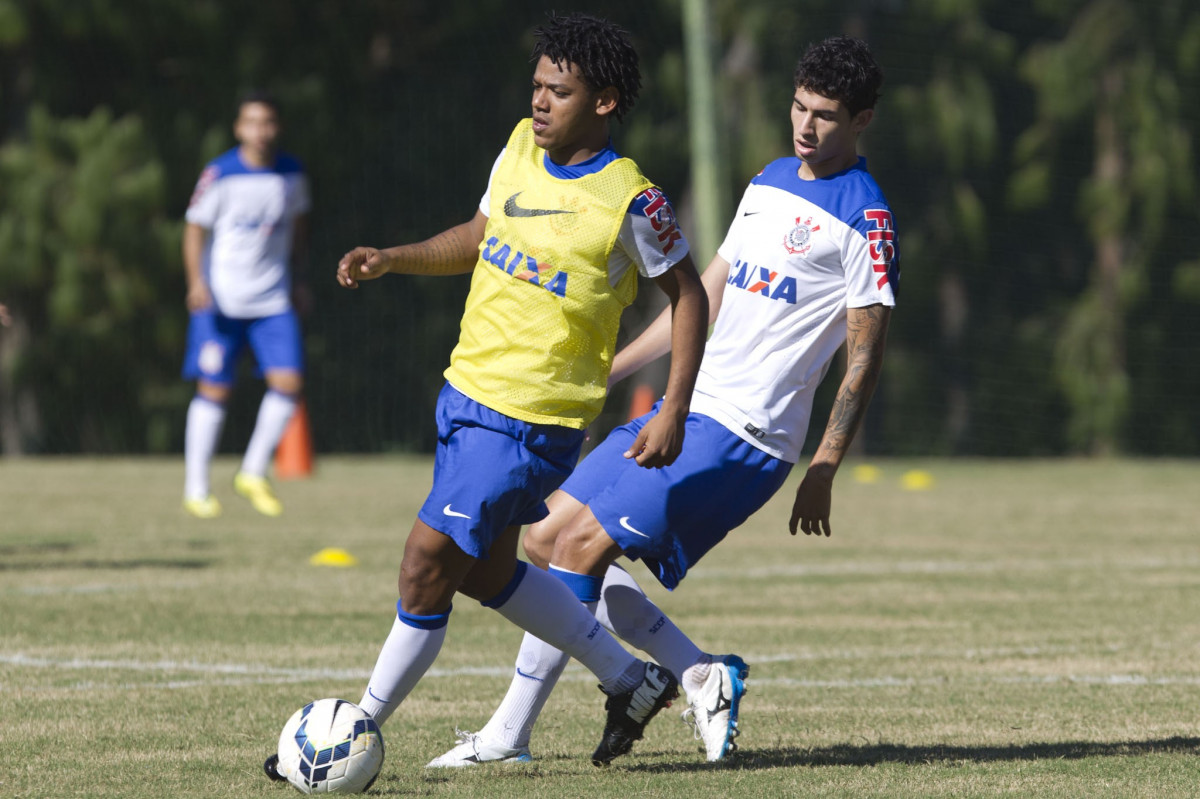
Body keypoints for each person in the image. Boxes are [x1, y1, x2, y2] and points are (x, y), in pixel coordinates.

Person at [426, 34, 897, 767]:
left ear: (862, 120)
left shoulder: (865, 217)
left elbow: (865, 347)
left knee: (580, 549)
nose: (806, 126)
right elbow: (703, 295)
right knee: (546, 539)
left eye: (827, 116)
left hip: (746, 432)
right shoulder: (771, 179)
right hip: (689, 404)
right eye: (800, 107)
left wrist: (828, 460)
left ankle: (507, 737)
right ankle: (701, 674)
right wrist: (608, 368)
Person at [264, 13, 709, 780]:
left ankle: (349, 735)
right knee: (485, 571)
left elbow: (690, 296)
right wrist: (392, 259)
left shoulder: (631, 201)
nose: (539, 102)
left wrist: (671, 406)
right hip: (466, 393)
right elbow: (478, 233)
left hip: (531, 420)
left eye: (558, 92)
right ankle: (631, 679)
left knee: (424, 562)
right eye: (536, 86)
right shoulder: (516, 147)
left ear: (603, 102)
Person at [180, 91, 311, 519]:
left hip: (272, 298)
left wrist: (298, 277)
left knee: (288, 383)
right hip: (223, 299)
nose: (261, 131)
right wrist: (197, 282)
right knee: (215, 388)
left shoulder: (291, 174)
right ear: (239, 128)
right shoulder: (220, 173)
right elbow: (194, 228)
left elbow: (297, 226)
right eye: (252, 123)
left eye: (268, 122)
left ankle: (253, 471)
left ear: (278, 127)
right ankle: (196, 487)